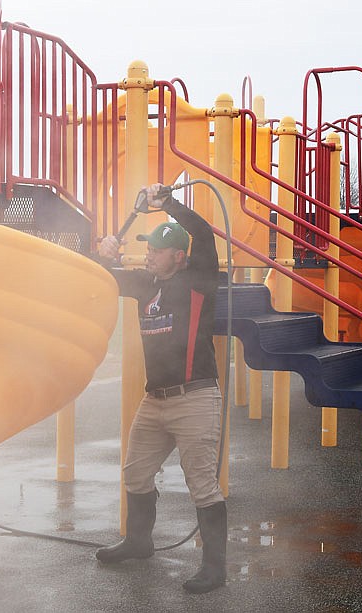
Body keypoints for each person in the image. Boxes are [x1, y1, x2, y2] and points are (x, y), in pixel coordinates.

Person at [95, 183, 226, 594]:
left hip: (196, 397)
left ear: (179, 257)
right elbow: (92, 277)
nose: (149, 252)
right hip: (155, 400)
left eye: (157, 248)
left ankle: (215, 568)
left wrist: (167, 204)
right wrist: (102, 254)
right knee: (135, 473)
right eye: (147, 246)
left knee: (202, 485)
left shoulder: (198, 281)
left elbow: (204, 234)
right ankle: (139, 543)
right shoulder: (143, 284)